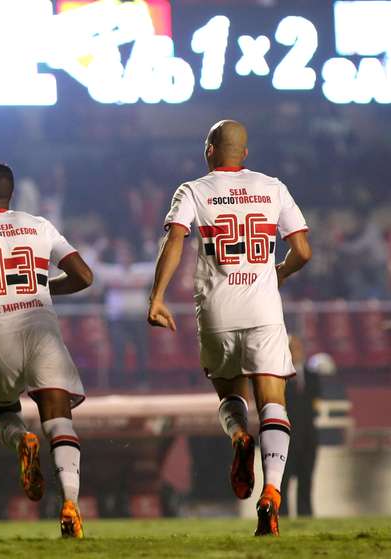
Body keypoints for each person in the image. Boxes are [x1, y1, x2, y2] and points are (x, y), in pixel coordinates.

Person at [147, 120, 311, 536]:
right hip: (263, 310)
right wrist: (277, 273)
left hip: (218, 312)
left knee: (229, 392)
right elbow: (304, 251)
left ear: (209, 150)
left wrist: (157, 298)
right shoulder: (273, 187)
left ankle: (239, 435)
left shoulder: (193, 190)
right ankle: (272, 493)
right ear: (246, 153)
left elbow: (175, 241)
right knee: (273, 402)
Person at [0, 161, 93, 538]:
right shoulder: (39, 225)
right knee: (59, 420)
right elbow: (84, 276)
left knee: (2, 412)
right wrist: (44, 287)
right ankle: (70, 503)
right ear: (9, 194)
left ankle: (22, 440)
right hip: (40, 333)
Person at [280, 335, 322, 517]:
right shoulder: (278, 378)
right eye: (290, 349)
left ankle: (306, 516)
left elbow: (316, 406)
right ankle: (281, 518)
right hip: (285, 440)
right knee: (283, 482)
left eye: (296, 348)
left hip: (308, 438)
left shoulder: (313, 377)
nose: (294, 352)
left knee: (306, 481)